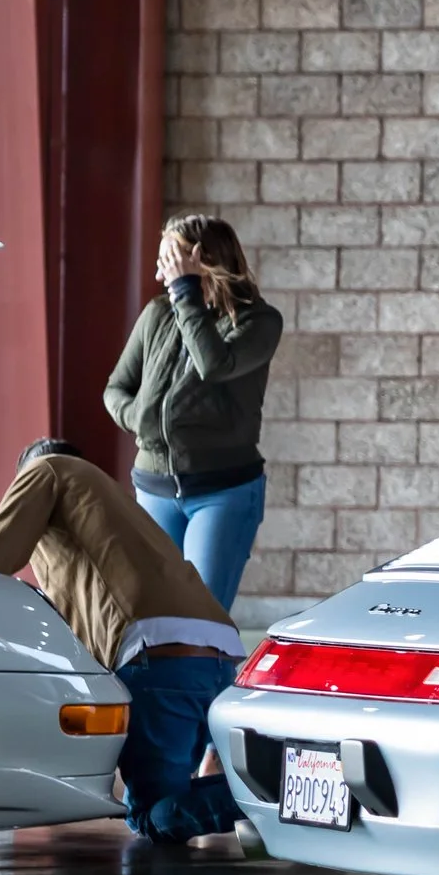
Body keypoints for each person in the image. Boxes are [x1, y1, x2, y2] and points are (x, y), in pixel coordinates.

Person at [0, 440, 252, 845]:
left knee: (150, 816)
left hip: (158, 656)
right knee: (172, 800)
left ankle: (280, 798)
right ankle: (275, 796)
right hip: (216, 657)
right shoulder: (110, 510)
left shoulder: (47, 470)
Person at [104, 214, 283, 611]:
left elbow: (213, 364)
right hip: (154, 488)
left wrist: (187, 293)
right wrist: (143, 420)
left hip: (222, 491)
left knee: (203, 618)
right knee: (158, 615)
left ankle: (214, 676)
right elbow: (116, 389)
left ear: (202, 261)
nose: (159, 272)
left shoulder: (259, 321)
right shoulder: (157, 314)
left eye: (168, 261)